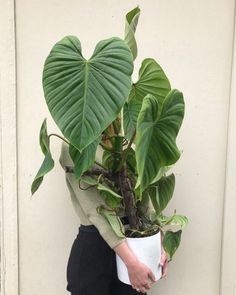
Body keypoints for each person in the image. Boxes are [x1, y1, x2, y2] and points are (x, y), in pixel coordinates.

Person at [59, 140, 168, 295]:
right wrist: (131, 263)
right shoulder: (74, 142)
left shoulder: (124, 139)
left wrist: (159, 245)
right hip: (95, 247)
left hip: (132, 239)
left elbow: (142, 198)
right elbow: (96, 212)